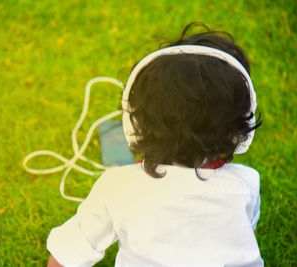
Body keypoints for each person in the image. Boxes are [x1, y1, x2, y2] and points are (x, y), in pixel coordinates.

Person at [46, 22, 263, 267]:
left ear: (134, 121)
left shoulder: (117, 187)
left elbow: (67, 254)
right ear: (238, 129)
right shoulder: (246, 184)